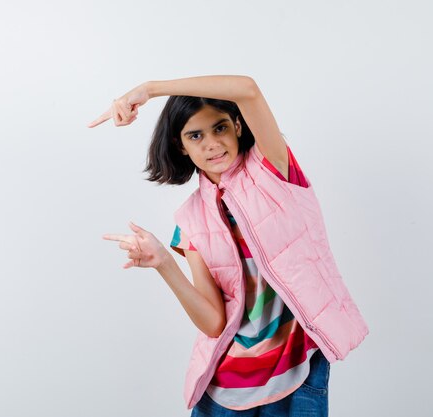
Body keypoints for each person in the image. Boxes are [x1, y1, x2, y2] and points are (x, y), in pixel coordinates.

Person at [88, 75, 368, 416]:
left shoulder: (273, 169)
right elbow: (213, 323)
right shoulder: (190, 219)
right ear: (181, 145)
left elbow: (248, 89)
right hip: (227, 388)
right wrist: (164, 263)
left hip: (299, 371)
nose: (211, 143)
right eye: (195, 135)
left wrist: (150, 89)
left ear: (237, 125)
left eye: (219, 128)